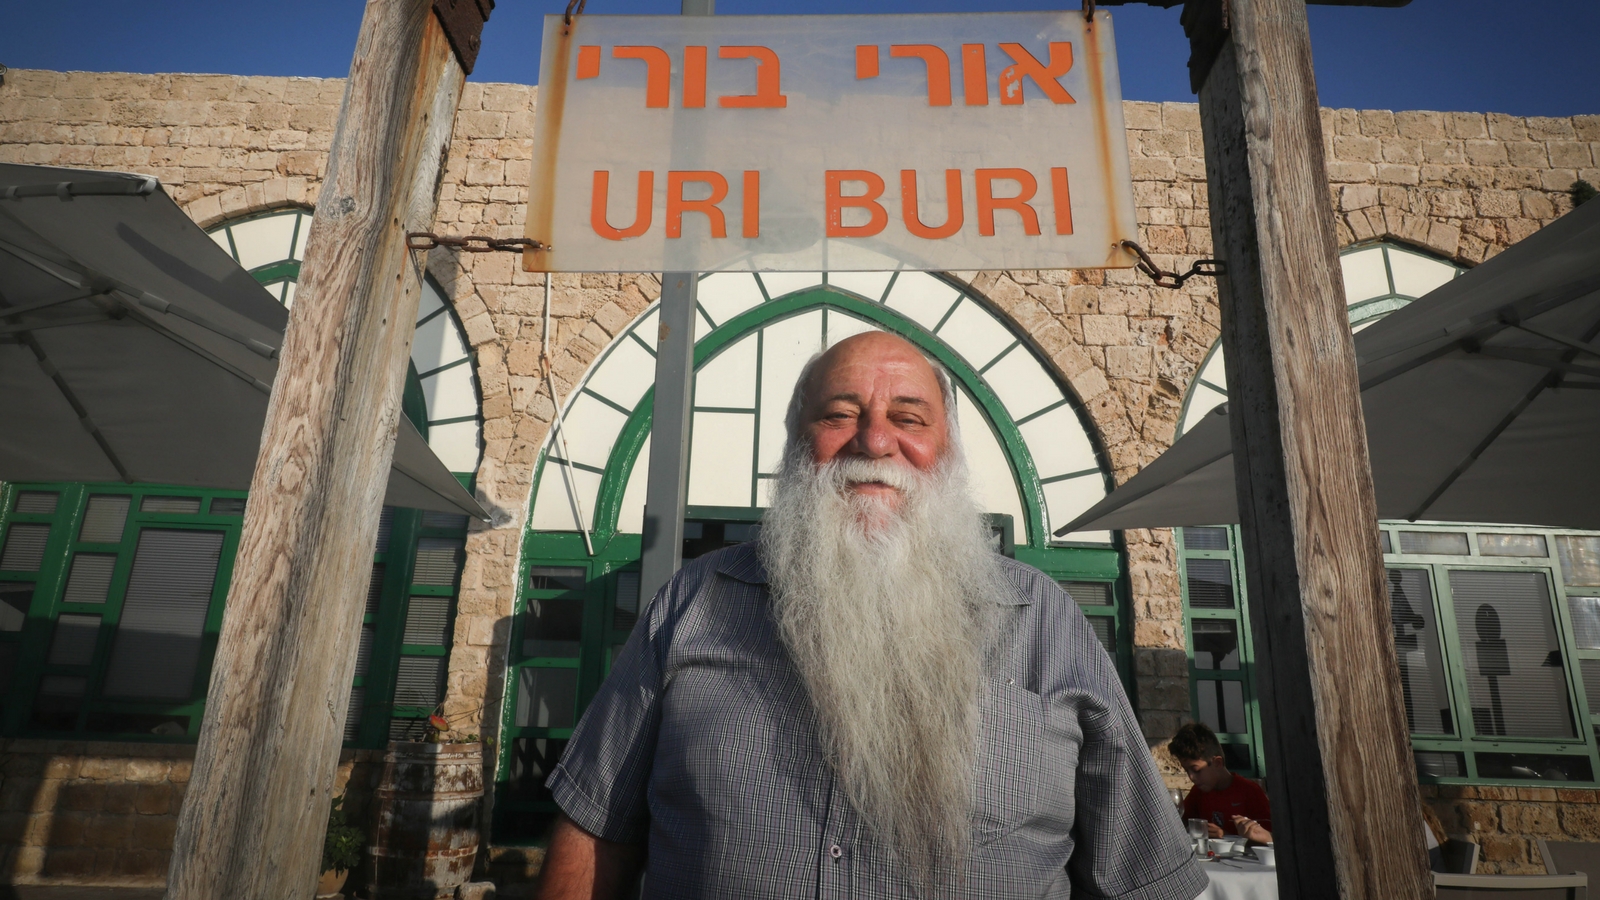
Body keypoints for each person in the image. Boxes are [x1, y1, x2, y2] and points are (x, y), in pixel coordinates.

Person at [536, 331, 1207, 900]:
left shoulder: (1044, 619)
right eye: (839, 415)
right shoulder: (695, 603)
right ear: (798, 443)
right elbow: (597, 829)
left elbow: (1140, 878)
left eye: (910, 418)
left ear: (947, 451)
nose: (875, 441)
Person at [1168, 722, 1273, 843]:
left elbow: (1271, 839)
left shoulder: (1250, 792)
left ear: (1217, 763)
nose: (1191, 777)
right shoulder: (1198, 793)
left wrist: (1226, 836)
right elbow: (1180, 825)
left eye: (1196, 770)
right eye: (1187, 771)